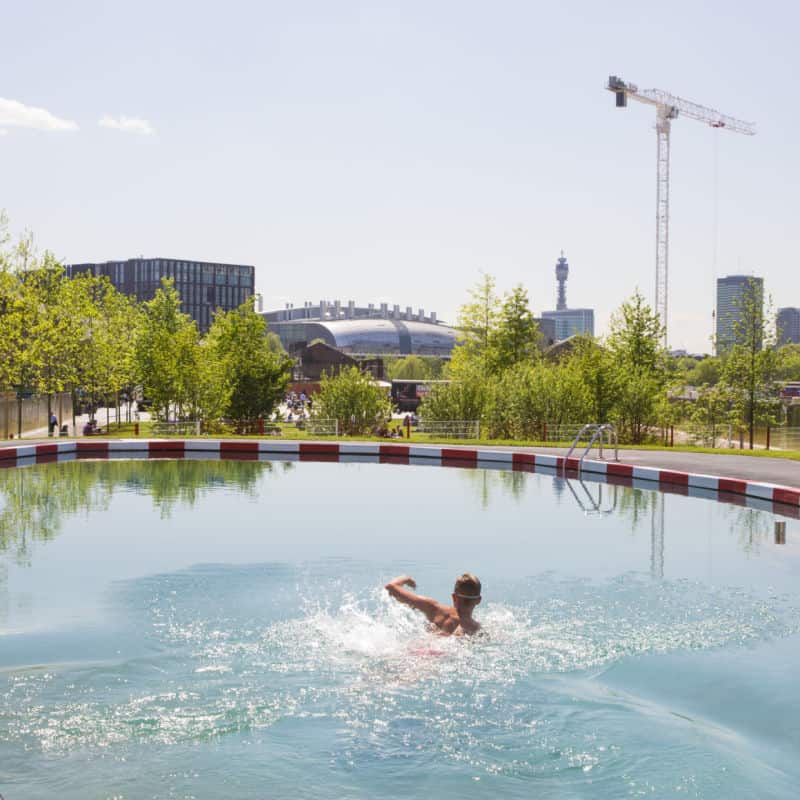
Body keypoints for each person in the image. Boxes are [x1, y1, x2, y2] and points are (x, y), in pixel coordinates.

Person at [385, 573, 482, 636]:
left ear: (454, 597)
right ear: (478, 600)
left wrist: (405, 578)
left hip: (417, 653)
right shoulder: (477, 630)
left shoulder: (434, 608)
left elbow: (391, 587)